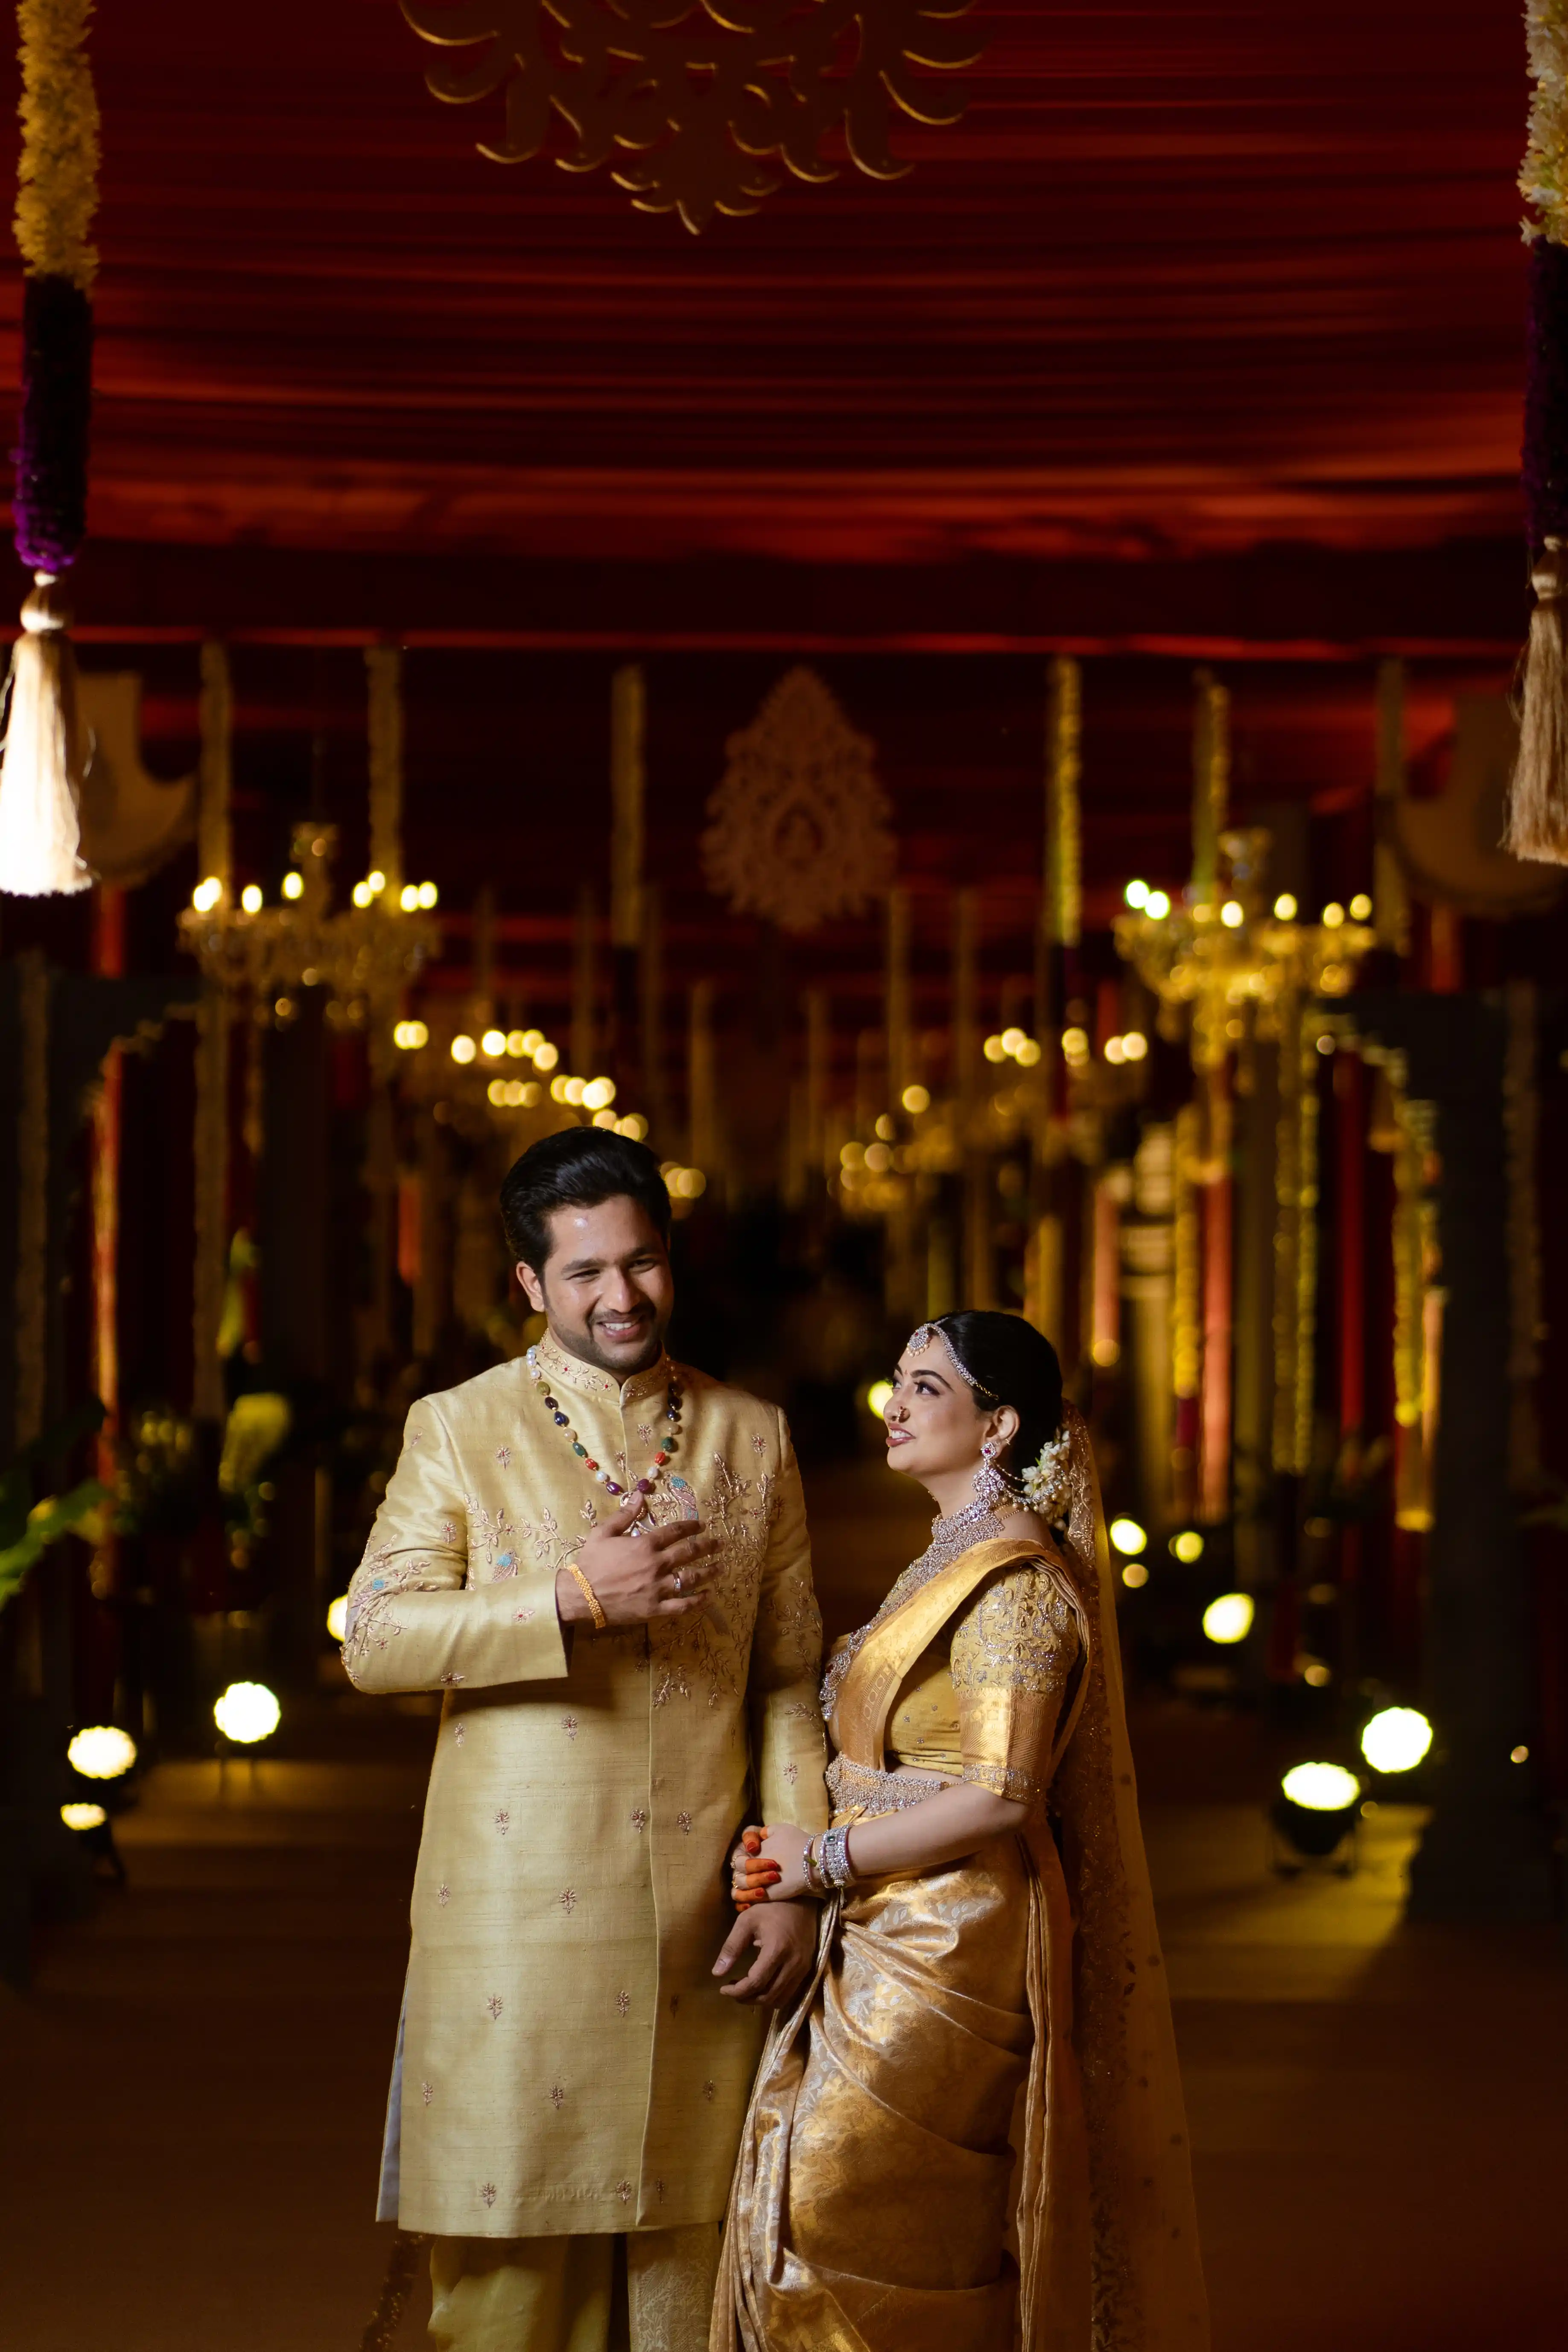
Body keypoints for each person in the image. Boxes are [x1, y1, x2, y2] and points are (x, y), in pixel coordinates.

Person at [342, 1129, 829, 2352]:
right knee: (510, 2293)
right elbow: (376, 1638)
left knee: (700, 2277)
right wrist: (563, 1596)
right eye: (585, 1273)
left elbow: (785, 1679)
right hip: (518, 1922)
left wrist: (793, 1879)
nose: (622, 1296)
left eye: (645, 1262)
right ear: (527, 1283)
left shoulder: (750, 1434)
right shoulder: (458, 1426)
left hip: (703, 1926)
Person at [712, 1312, 1208, 2352]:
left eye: (928, 1387)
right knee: (823, 2203)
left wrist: (827, 1856)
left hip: (952, 1938)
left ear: (999, 1427)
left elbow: (1003, 1795)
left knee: (854, 2215)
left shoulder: (1016, 1582)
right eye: (898, 1377)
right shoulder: (955, 1551)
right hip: (893, 1919)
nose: (895, 1402)